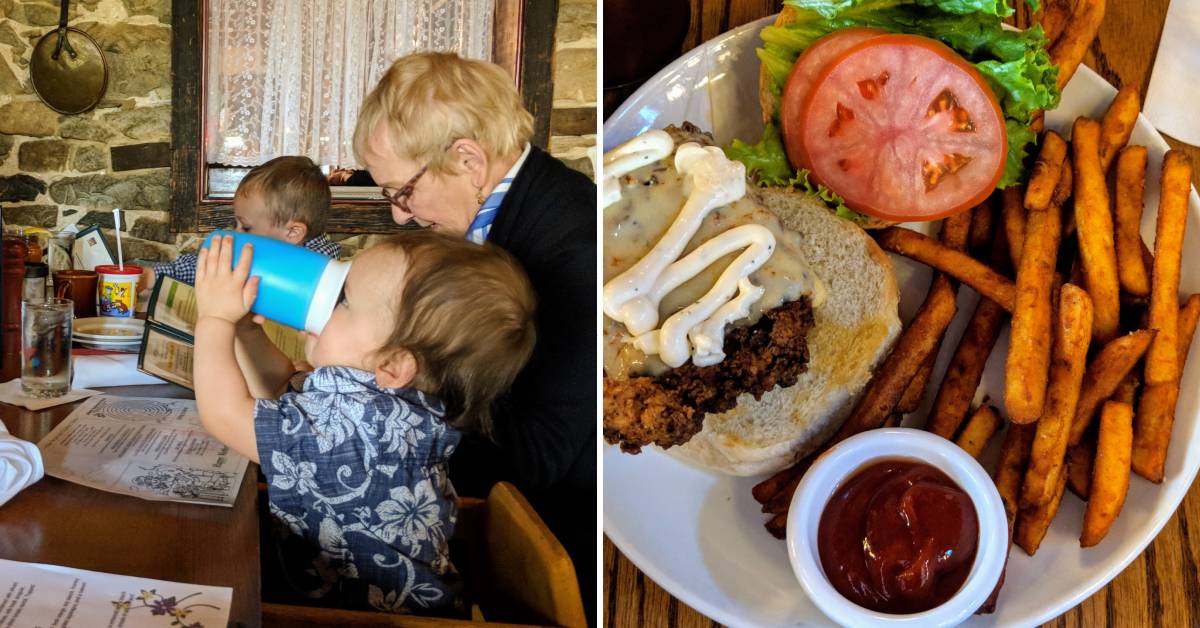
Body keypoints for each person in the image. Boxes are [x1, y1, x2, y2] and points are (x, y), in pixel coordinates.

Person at [352, 51, 596, 615]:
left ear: (467, 160)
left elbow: (536, 458)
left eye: (401, 192)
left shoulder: (572, 246)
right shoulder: (498, 217)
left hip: (559, 554)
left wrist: (380, 409)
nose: (399, 216)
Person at [191, 231, 536, 614]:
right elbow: (281, 392)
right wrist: (246, 330)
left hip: (362, 618)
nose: (325, 304)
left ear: (392, 365)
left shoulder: (359, 435)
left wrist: (214, 320)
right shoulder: (389, 403)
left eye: (344, 301)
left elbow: (225, 415)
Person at [142, 156, 341, 288]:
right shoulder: (270, 246)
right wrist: (153, 274)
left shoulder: (320, 275)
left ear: (292, 233)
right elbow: (208, 266)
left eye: (246, 227)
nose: (237, 234)